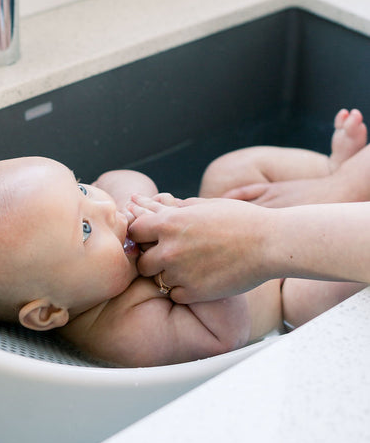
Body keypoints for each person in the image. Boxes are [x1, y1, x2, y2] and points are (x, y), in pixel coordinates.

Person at [0, 108, 367, 367]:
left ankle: (334, 176)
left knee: (227, 173)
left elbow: (121, 177)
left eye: (79, 188)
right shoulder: (120, 332)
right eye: (84, 229)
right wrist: (198, 280)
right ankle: (346, 190)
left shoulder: (98, 242)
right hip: (284, 285)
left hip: (237, 224)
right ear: (49, 313)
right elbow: (224, 336)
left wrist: (135, 202)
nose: (101, 207)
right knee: (310, 301)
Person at [129, 108, 370, 307]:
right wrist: (345, 183)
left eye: (88, 192)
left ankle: (336, 172)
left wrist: (260, 238)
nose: (106, 210)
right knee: (229, 173)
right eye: (87, 230)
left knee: (302, 299)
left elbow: (226, 337)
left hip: (283, 292)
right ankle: (336, 170)